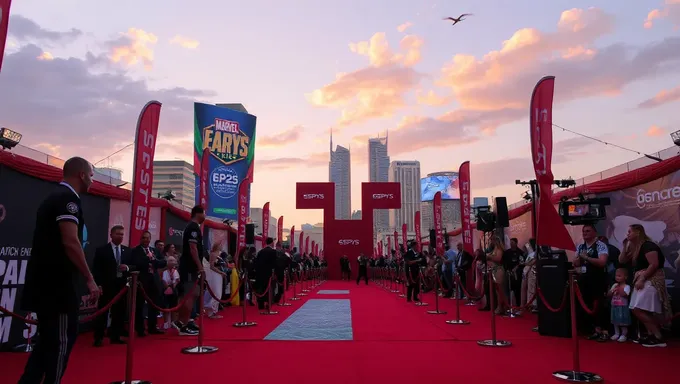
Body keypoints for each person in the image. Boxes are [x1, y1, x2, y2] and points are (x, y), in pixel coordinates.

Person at [19, 157, 101, 384]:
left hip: (49, 287)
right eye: (91, 176)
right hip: (58, 290)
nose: (92, 181)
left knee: (46, 344)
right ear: (82, 175)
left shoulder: (57, 197)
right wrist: (89, 279)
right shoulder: (67, 199)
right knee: (60, 344)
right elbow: (70, 242)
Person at [623, 224, 671, 347]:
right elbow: (622, 260)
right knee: (641, 309)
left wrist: (643, 278)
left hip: (651, 280)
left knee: (637, 309)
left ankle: (658, 336)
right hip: (643, 279)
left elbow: (653, 264)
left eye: (629, 231)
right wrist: (625, 246)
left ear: (638, 232)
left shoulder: (648, 245)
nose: (627, 234)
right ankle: (652, 335)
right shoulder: (637, 247)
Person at [92, 225, 130, 347]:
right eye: (118, 234)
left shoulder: (126, 250)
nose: (120, 236)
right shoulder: (102, 250)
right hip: (106, 286)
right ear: (111, 235)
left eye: (122, 234)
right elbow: (96, 270)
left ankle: (115, 336)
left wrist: (127, 268)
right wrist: (98, 285)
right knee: (102, 312)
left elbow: (134, 266)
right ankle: (98, 337)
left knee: (119, 313)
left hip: (121, 287)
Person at [174, 205, 206, 336]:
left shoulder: (194, 228)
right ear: (199, 213)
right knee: (188, 295)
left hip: (191, 268)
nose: (205, 217)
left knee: (194, 294)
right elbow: (193, 248)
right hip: (189, 267)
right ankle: (183, 324)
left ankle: (186, 321)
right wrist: (200, 266)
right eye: (204, 214)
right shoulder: (193, 227)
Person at [129, 231, 166, 336]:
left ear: (150, 239)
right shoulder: (135, 251)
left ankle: (152, 327)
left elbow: (163, 262)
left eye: (148, 238)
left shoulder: (154, 250)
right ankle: (140, 329)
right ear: (140, 239)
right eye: (144, 238)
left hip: (154, 281)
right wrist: (148, 259)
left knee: (154, 305)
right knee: (139, 305)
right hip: (141, 281)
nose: (146, 240)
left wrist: (153, 260)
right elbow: (136, 264)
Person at [253, 238, 278, 310]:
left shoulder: (260, 251)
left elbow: (256, 263)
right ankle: (268, 303)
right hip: (269, 274)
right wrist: (274, 273)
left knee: (261, 289)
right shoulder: (273, 252)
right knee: (269, 289)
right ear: (272, 243)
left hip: (260, 274)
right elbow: (274, 263)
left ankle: (260, 304)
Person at [608, 268, 631, 342]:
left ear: (625, 277)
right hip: (614, 305)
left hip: (622, 306)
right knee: (615, 320)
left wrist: (620, 289)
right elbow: (609, 294)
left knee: (622, 321)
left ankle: (624, 334)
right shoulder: (614, 285)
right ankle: (616, 333)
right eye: (616, 275)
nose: (617, 277)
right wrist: (611, 291)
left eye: (619, 276)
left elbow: (626, 295)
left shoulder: (627, 286)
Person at [162, 256, 180, 329]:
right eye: (170, 261)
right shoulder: (164, 271)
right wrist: (167, 287)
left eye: (173, 261)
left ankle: (173, 322)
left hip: (174, 289)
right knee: (165, 306)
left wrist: (173, 287)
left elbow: (177, 280)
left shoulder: (175, 271)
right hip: (165, 289)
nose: (172, 262)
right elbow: (163, 280)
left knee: (174, 306)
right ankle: (166, 323)